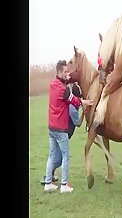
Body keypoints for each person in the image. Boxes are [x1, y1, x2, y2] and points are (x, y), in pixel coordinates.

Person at [43, 60, 93, 193]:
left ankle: (48, 182)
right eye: (65, 72)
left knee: (52, 155)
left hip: (51, 127)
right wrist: (85, 103)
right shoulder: (63, 89)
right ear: (60, 72)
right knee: (65, 155)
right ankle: (64, 185)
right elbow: (74, 100)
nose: (68, 73)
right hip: (60, 128)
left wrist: (67, 80)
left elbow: (66, 91)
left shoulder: (53, 84)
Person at [40, 82, 83, 185]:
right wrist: (85, 114)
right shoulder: (73, 107)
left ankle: (49, 178)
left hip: (57, 130)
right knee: (59, 158)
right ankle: (48, 178)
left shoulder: (71, 104)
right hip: (63, 133)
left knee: (54, 157)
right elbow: (78, 123)